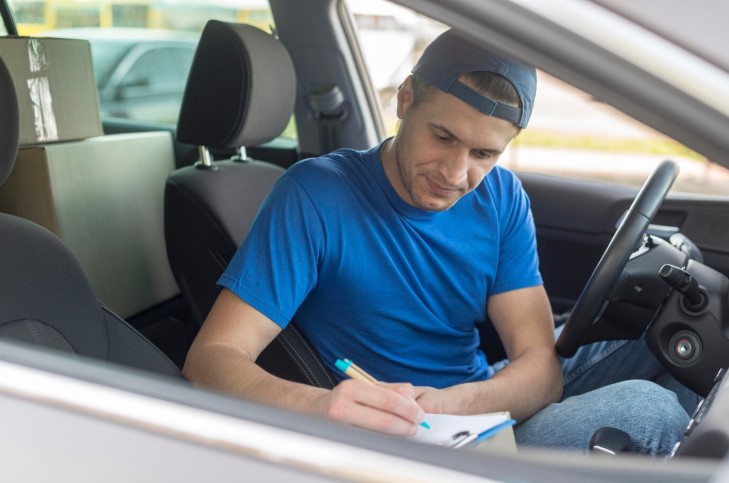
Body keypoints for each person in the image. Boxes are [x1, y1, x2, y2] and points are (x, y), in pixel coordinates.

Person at [183, 29, 697, 455]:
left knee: (676, 329)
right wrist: (321, 407)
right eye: (444, 138)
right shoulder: (314, 195)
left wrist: (456, 403)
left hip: (471, 406)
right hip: (414, 439)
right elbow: (211, 357)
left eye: (483, 153)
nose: (456, 174)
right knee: (648, 412)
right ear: (406, 100)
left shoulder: (501, 196)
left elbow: (540, 369)